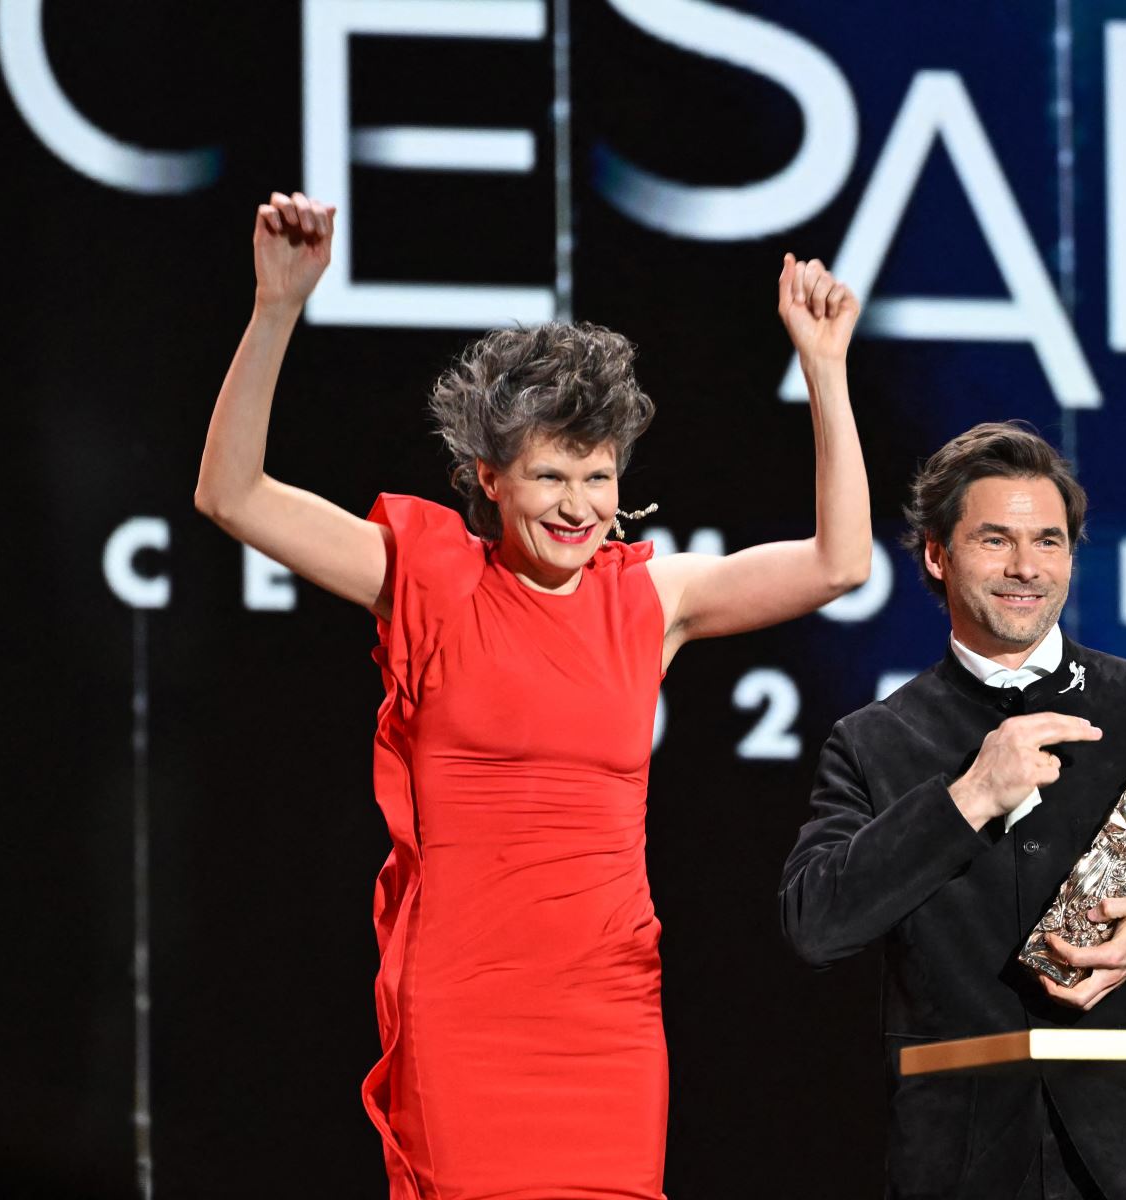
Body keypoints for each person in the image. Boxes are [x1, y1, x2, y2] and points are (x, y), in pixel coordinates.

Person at [195, 191, 870, 1200]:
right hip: (464, 1006)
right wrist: (277, 305)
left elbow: (837, 562)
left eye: (599, 478)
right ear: (490, 479)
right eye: (552, 476)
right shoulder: (422, 577)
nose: (580, 505)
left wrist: (823, 368)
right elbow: (231, 494)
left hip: (604, 1012)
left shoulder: (650, 598)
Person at [780, 422, 1126, 1200]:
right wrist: (971, 794)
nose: (1026, 568)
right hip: (961, 1163)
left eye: (1049, 542)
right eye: (995, 540)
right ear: (937, 555)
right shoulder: (874, 741)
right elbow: (816, 923)